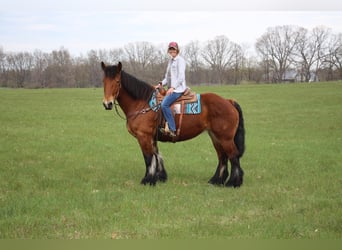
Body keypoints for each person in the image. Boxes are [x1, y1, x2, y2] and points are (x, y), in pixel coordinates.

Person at [155, 41, 187, 137]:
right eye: (170, 49)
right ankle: (162, 124)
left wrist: (173, 87)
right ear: (169, 51)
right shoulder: (170, 61)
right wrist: (160, 84)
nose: (172, 51)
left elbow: (181, 76)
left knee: (164, 104)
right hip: (171, 88)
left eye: (174, 49)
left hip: (178, 89)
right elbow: (167, 77)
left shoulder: (180, 61)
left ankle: (172, 128)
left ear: (177, 50)